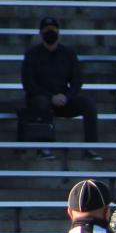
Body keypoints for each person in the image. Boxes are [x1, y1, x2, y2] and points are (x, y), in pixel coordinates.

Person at [22, 16, 101, 161]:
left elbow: (77, 80)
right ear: (40, 33)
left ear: (58, 32)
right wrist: (50, 96)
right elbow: (29, 84)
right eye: (46, 30)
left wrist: (67, 96)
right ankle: (44, 148)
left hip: (64, 100)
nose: (50, 32)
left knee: (88, 104)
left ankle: (91, 148)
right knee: (41, 102)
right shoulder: (32, 55)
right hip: (41, 100)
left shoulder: (68, 54)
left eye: (53, 29)